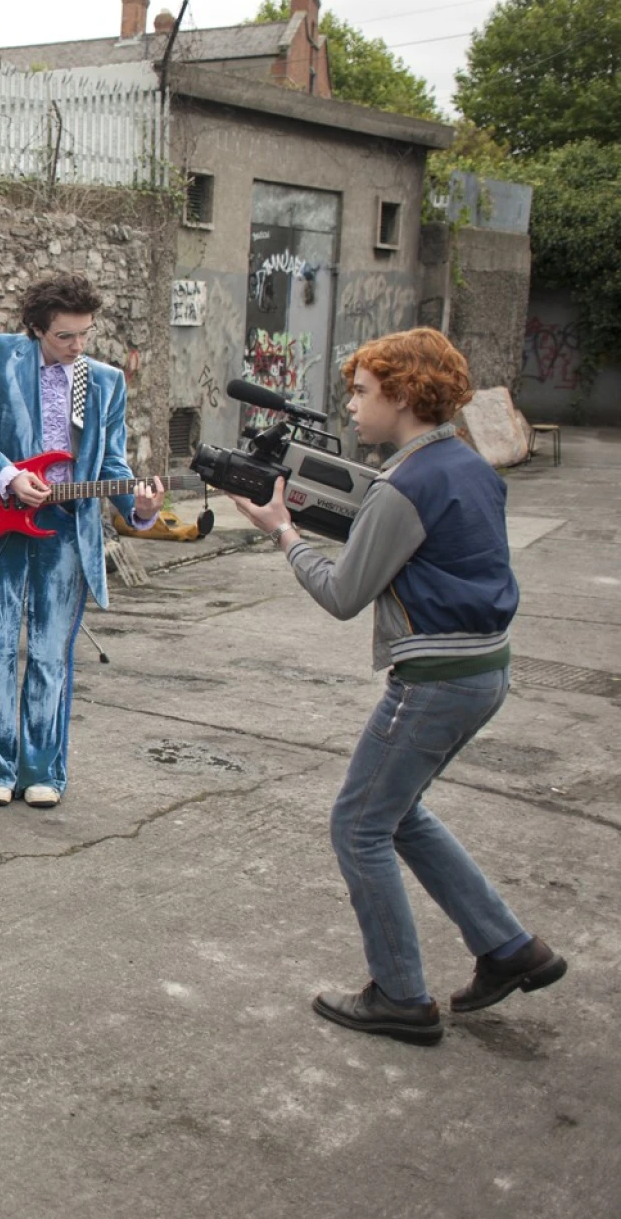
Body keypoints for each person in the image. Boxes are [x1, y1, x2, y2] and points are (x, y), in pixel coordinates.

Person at [231, 327, 566, 1046]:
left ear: (404, 395)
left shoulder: (403, 485)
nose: (351, 405)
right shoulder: (467, 464)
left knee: (358, 826)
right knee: (398, 813)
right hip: (484, 668)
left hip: (436, 680)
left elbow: (345, 593)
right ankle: (510, 949)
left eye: (361, 392)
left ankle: (400, 995)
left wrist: (284, 533)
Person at [0, 274, 163, 808]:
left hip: (67, 525)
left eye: (85, 334)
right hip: (0, 516)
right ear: (38, 328)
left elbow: (110, 464)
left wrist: (138, 505)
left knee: (49, 654)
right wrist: (7, 477)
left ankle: (43, 770)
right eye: (66, 336)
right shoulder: (1, 355)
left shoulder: (105, 382)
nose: (77, 346)